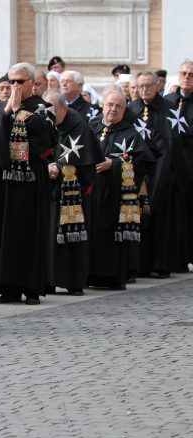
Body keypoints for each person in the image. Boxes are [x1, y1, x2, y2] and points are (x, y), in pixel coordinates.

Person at [0, 62, 57, 305]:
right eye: (11, 81)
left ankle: (31, 287)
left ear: (32, 84)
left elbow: (46, 138)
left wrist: (19, 116)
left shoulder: (44, 109)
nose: (15, 86)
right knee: (3, 232)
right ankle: (7, 286)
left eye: (20, 82)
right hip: (3, 179)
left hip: (30, 178)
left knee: (28, 231)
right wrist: (8, 112)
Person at [88, 89, 153, 289]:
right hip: (91, 192)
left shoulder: (131, 134)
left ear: (125, 110)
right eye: (109, 105)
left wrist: (114, 164)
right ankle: (89, 275)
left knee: (111, 238)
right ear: (102, 106)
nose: (113, 109)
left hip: (115, 194)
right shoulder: (92, 128)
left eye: (118, 106)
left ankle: (111, 277)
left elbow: (143, 162)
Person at [44, 90, 102, 296]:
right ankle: (48, 280)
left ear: (65, 108)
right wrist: (46, 165)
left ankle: (74, 281)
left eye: (54, 110)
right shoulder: (44, 126)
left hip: (73, 196)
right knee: (48, 237)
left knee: (74, 238)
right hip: (48, 194)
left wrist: (60, 167)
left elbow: (87, 164)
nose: (49, 115)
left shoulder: (80, 128)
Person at [130, 71, 188, 276]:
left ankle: (161, 264)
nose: (145, 89)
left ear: (157, 86)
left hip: (163, 175)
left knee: (162, 222)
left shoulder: (170, 111)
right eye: (141, 86)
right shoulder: (131, 110)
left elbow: (175, 146)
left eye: (149, 85)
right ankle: (139, 265)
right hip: (138, 174)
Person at [164, 59, 193, 267]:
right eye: (183, 73)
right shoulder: (169, 101)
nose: (186, 78)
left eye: (191, 75)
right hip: (170, 165)